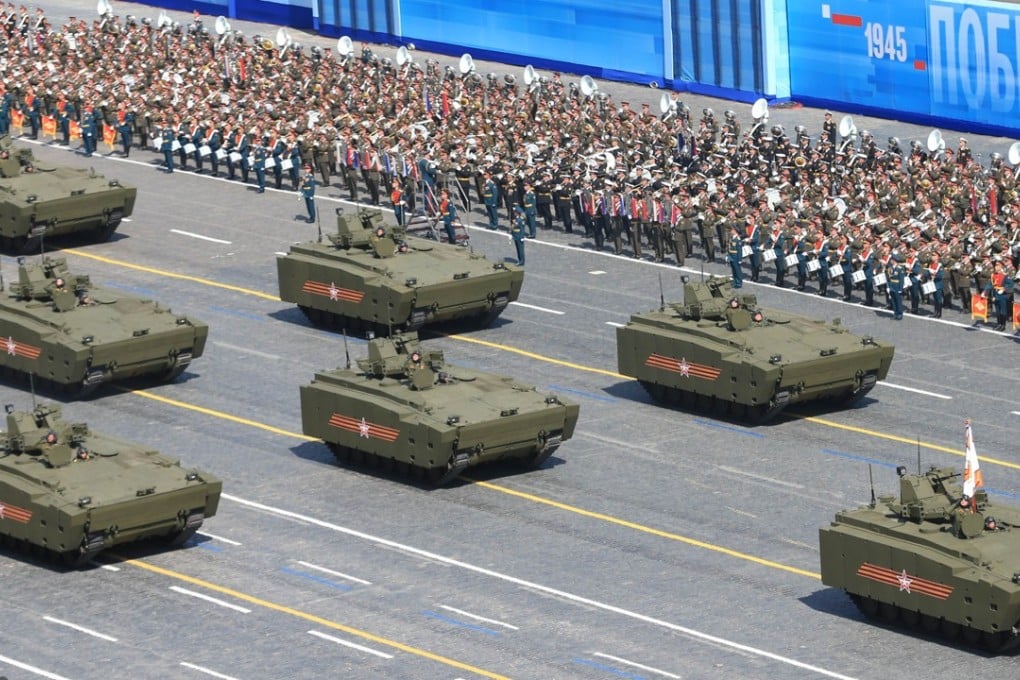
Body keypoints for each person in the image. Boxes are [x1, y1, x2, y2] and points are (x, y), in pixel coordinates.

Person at [887, 253, 905, 320]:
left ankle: (899, 314)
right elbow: (888, 279)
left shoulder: (900, 269)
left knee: (898, 301)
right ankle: (895, 313)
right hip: (892, 286)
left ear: (894, 260)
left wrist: (901, 289)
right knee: (893, 301)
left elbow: (901, 280)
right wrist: (888, 287)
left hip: (897, 287)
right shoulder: (890, 268)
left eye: (891, 259)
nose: (890, 261)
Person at [727, 223, 743, 288]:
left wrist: (740, 259)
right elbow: (729, 247)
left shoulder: (737, 240)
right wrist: (728, 255)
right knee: (733, 270)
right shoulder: (732, 238)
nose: (731, 231)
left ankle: (739, 283)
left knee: (737, 271)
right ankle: (734, 282)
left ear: (735, 231)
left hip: (736, 257)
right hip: (731, 256)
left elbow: (739, 251)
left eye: (732, 230)